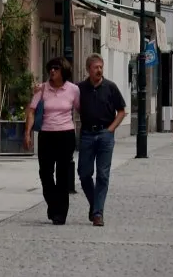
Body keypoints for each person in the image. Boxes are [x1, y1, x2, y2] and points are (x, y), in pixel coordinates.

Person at [24, 57, 79, 225]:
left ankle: (60, 214)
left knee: (62, 174)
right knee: (45, 173)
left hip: (66, 134)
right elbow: (31, 111)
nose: (52, 71)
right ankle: (53, 204)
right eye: (50, 68)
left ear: (64, 71)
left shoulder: (73, 90)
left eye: (56, 68)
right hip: (47, 135)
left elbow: (80, 109)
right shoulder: (42, 89)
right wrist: (27, 133)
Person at [78, 53, 126, 228]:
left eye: (101, 67)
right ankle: (94, 205)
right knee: (84, 174)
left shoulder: (110, 87)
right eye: (95, 67)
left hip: (105, 135)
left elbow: (121, 110)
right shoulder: (80, 88)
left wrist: (110, 130)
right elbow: (72, 103)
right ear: (88, 69)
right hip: (87, 135)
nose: (99, 70)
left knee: (103, 175)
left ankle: (98, 213)